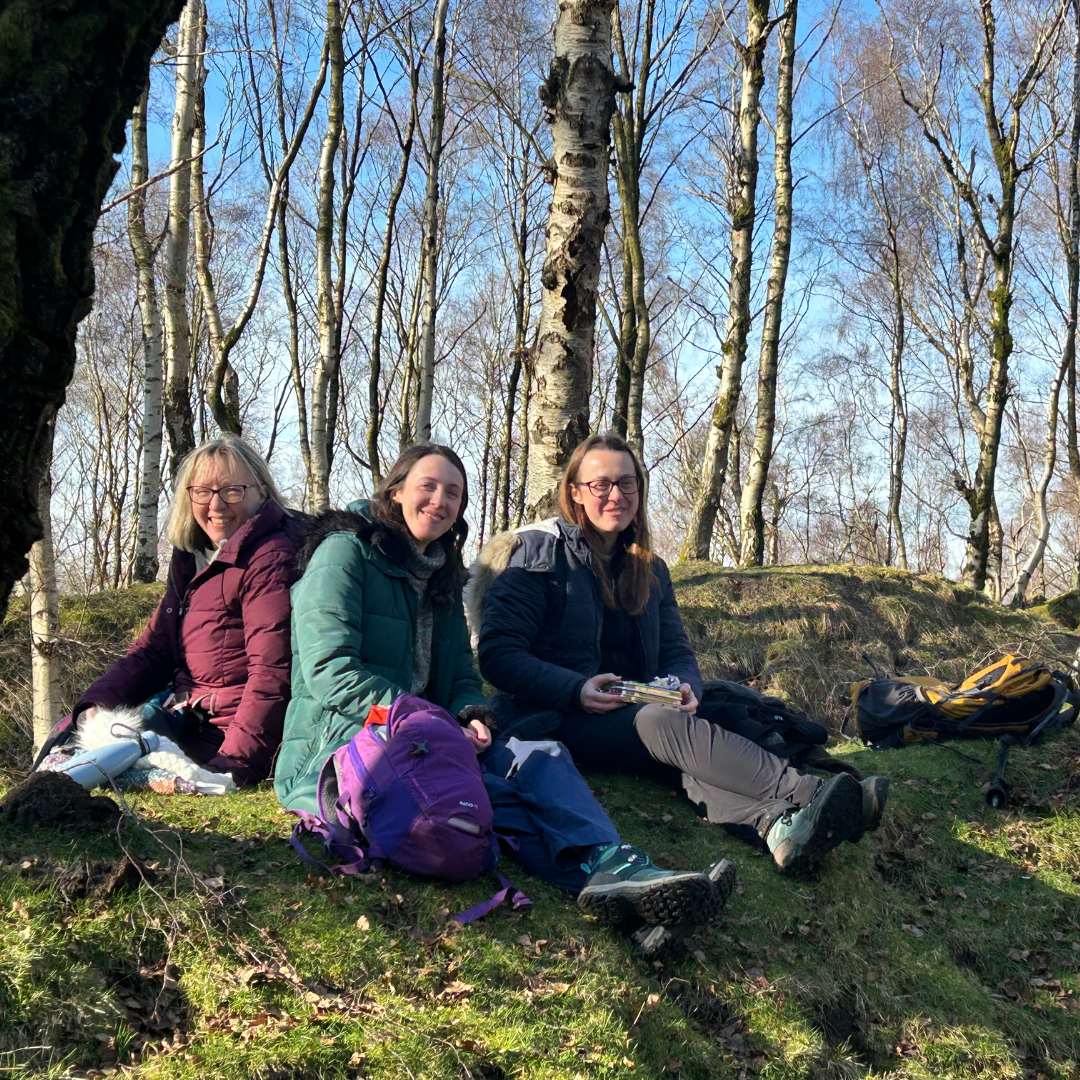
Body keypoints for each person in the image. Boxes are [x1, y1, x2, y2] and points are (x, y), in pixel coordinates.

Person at [274, 444, 730, 928]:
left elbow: (463, 677)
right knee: (491, 806)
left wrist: (470, 715)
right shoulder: (344, 552)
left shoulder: (441, 569)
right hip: (343, 744)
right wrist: (432, 720)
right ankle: (620, 895)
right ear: (396, 490)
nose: (440, 501)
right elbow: (330, 670)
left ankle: (615, 869)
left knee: (539, 756)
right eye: (427, 487)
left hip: (427, 737)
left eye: (454, 493)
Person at [474, 433, 888, 876]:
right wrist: (575, 690)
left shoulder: (650, 568)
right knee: (662, 724)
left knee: (692, 733)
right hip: (553, 716)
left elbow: (675, 649)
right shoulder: (536, 554)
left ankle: (779, 828)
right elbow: (499, 655)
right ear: (574, 492)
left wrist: (684, 685)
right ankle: (809, 792)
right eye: (601, 485)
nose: (616, 495)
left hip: (633, 710)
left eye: (627, 484)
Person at [71, 436, 299, 786]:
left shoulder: (269, 558)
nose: (216, 505)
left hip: (227, 734)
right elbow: (153, 651)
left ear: (262, 492)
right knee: (75, 756)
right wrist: (96, 704)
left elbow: (270, 674)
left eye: (233, 491)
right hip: (185, 717)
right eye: (202, 492)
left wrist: (231, 767)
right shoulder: (192, 559)